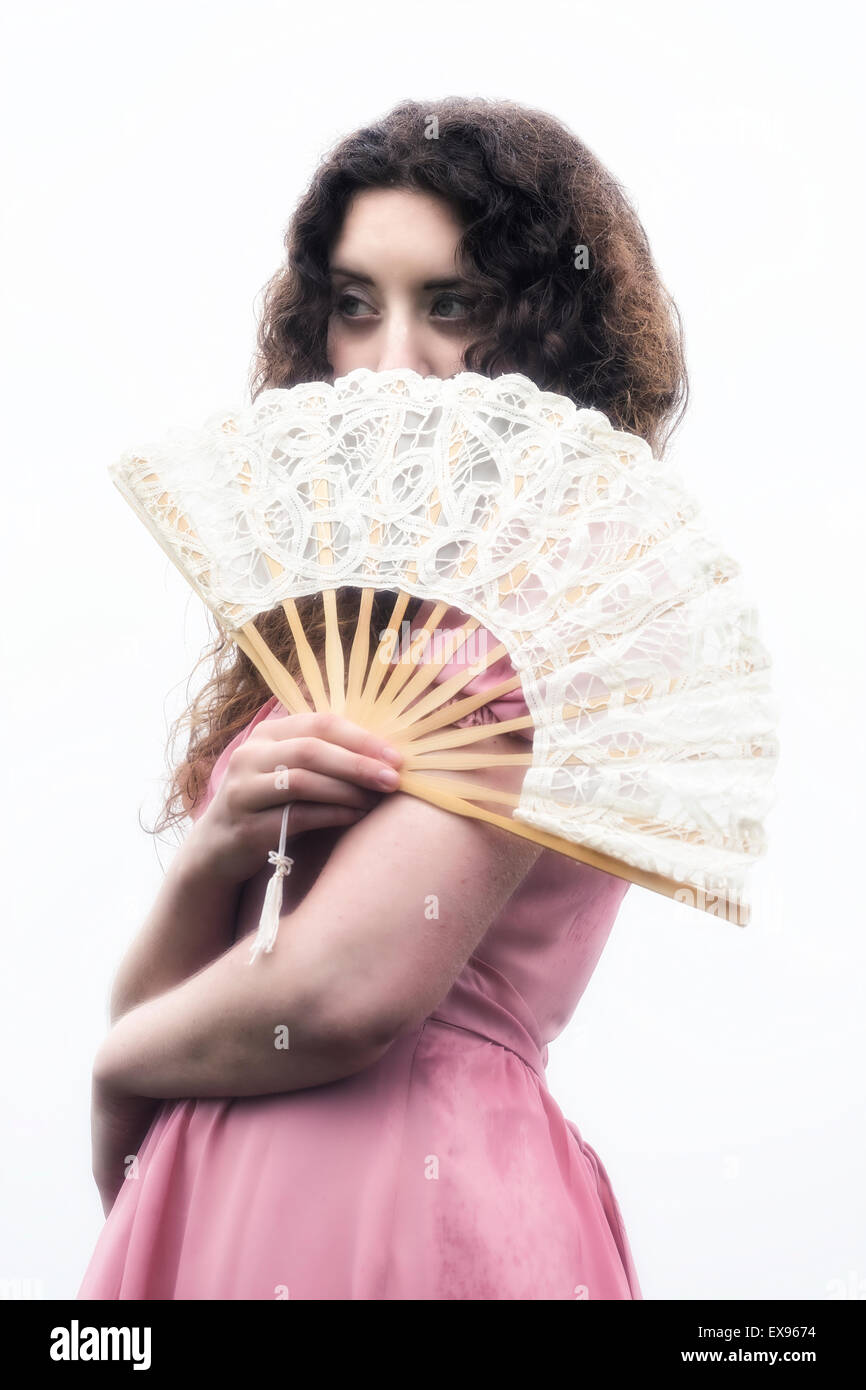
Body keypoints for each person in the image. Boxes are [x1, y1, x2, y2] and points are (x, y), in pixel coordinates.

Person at [78, 96, 687, 1300]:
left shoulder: (556, 587)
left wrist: (114, 1066)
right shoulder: (343, 619)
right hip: (225, 1201)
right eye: (355, 305)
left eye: (449, 304)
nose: (391, 357)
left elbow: (348, 992)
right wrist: (212, 854)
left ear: (548, 334)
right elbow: (198, 997)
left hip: (418, 1183)